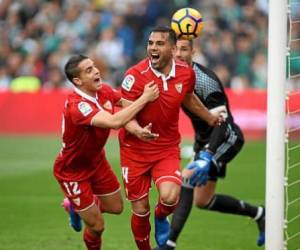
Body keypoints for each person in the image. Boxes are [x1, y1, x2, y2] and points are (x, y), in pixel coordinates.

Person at [118, 27, 223, 250]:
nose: (153, 48)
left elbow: (188, 98)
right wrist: (138, 131)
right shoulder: (133, 76)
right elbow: (124, 115)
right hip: (134, 150)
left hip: (165, 147)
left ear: (173, 49)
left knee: (170, 196)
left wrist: (209, 117)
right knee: (140, 208)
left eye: (159, 44)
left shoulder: (186, 73)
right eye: (150, 43)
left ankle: (161, 216)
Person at [156, 39, 265, 250]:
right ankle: (260, 214)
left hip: (225, 137)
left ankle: (169, 244)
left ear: (193, 52)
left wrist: (208, 154)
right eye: (175, 49)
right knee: (203, 200)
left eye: (184, 49)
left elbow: (222, 124)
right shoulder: (171, 76)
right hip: (203, 139)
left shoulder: (205, 81)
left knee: (187, 179)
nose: (179, 54)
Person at [53, 54, 159, 250]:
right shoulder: (78, 106)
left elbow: (127, 104)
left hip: (96, 161)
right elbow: (115, 121)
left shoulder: (104, 91)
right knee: (97, 226)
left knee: (116, 207)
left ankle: (77, 207)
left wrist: (138, 130)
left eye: (94, 67)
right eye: (89, 70)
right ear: (78, 81)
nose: (96, 71)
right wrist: (145, 97)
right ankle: (78, 208)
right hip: (72, 170)